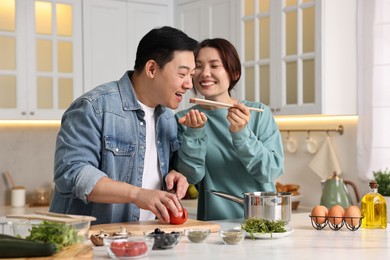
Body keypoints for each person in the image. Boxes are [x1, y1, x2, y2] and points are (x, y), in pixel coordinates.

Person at [49, 26, 198, 224]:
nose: (189, 84)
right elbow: (73, 174)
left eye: (191, 75)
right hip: (85, 241)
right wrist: (137, 194)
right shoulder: (94, 107)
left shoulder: (167, 119)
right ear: (152, 68)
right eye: (182, 74)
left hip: (140, 238)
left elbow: (149, 173)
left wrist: (174, 176)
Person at [173, 38, 284, 221]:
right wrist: (194, 133)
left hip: (265, 222)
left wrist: (242, 134)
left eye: (215, 65)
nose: (205, 73)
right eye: (198, 67)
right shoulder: (184, 120)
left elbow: (270, 171)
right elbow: (191, 176)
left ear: (234, 73)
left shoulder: (259, 113)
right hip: (217, 224)